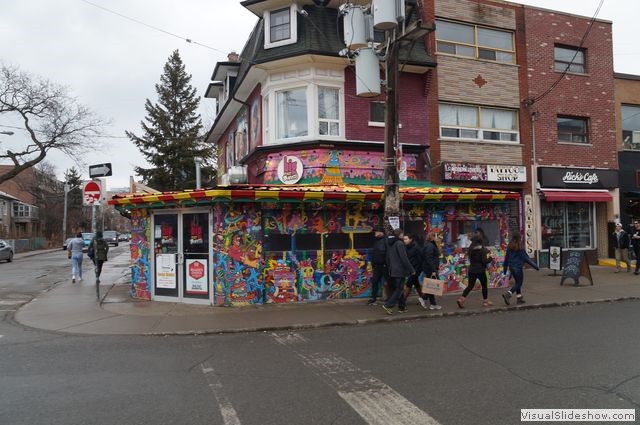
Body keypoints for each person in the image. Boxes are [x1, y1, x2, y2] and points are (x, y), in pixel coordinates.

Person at [501, 231, 539, 305]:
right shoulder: (520, 248)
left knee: (517, 283)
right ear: (519, 238)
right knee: (519, 283)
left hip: (512, 268)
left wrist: (505, 270)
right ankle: (508, 294)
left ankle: (519, 298)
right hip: (518, 268)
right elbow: (526, 259)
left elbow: (506, 259)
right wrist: (536, 267)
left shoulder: (509, 246)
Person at [382, 229, 415, 315]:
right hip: (400, 270)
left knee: (399, 289)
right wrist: (411, 270)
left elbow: (388, 257)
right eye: (402, 234)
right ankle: (388, 305)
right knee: (399, 289)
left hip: (393, 269)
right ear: (400, 235)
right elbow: (404, 259)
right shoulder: (400, 244)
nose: (403, 236)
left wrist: (390, 268)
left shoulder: (391, 243)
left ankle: (401, 307)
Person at [457, 235, 493, 308]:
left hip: (472, 270)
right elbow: (485, 261)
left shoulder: (470, 249)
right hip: (480, 270)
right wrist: (490, 258)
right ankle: (485, 301)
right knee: (484, 285)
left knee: (470, 286)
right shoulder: (483, 250)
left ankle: (461, 299)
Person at [402, 233, 425, 308]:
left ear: (410, 239)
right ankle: (423, 298)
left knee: (409, 283)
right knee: (416, 283)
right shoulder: (406, 247)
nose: (404, 241)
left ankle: (402, 301)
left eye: (406, 239)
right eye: (404, 239)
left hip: (416, 269)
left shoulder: (416, 247)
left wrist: (416, 271)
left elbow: (420, 260)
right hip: (411, 269)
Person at [367, 226, 388, 305]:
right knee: (375, 281)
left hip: (385, 266)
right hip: (377, 266)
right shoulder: (376, 241)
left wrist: (387, 264)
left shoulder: (386, 241)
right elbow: (374, 254)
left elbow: (388, 254)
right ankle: (373, 298)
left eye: (376, 231)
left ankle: (393, 298)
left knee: (389, 282)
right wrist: (373, 264)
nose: (375, 233)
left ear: (381, 233)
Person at [421, 231, 442, 310]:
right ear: (433, 237)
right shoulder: (430, 246)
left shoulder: (430, 244)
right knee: (432, 285)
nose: (437, 238)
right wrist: (433, 270)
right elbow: (429, 259)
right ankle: (431, 303)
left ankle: (425, 299)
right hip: (430, 268)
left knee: (431, 286)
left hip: (430, 268)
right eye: (436, 236)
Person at [89, 231, 109, 298]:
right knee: (100, 267)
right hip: (102, 256)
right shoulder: (103, 240)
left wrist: (90, 251)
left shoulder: (94, 239)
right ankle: (98, 277)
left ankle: (96, 275)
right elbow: (107, 247)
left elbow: (90, 246)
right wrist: (105, 253)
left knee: (96, 266)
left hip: (95, 255)